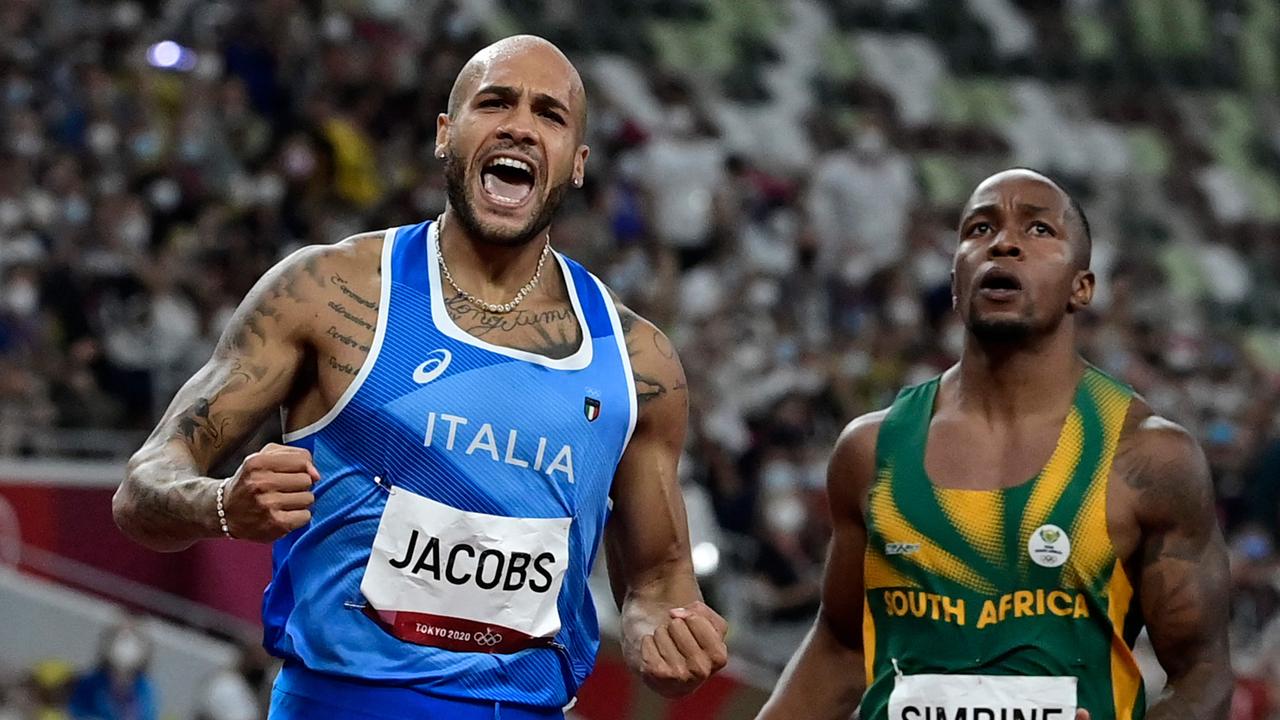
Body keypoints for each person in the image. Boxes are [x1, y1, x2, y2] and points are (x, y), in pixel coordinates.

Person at [113, 35, 728, 720]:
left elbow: (658, 579)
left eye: (550, 115)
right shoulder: (328, 292)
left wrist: (660, 632)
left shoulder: (638, 362)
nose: (520, 125)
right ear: (446, 134)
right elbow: (142, 488)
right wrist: (223, 503)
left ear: (577, 164)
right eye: (494, 102)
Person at [756, 169, 1232, 720]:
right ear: (957, 279)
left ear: (1082, 286)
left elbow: (1203, 675)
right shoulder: (870, 450)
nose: (1003, 242)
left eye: (1038, 230)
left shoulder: (1149, 458)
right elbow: (840, 648)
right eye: (979, 228)